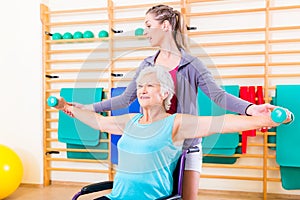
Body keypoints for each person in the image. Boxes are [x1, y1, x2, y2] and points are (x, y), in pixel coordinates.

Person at [67, 4, 276, 199]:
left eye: (149, 25)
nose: (145, 31)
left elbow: (218, 96)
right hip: (153, 145)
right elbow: (125, 98)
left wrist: (251, 109)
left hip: (186, 145)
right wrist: (88, 107)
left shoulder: (192, 64)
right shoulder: (147, 64)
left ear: (165, 26)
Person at [55, 66, 289, 200]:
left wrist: (267, 118)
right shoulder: (130, 121)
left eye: (150, 85)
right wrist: (65, 107)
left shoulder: (176, 123)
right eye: (139, 86)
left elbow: (222, 122)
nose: (142, 90)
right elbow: (97, 121)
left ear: (165, 93)